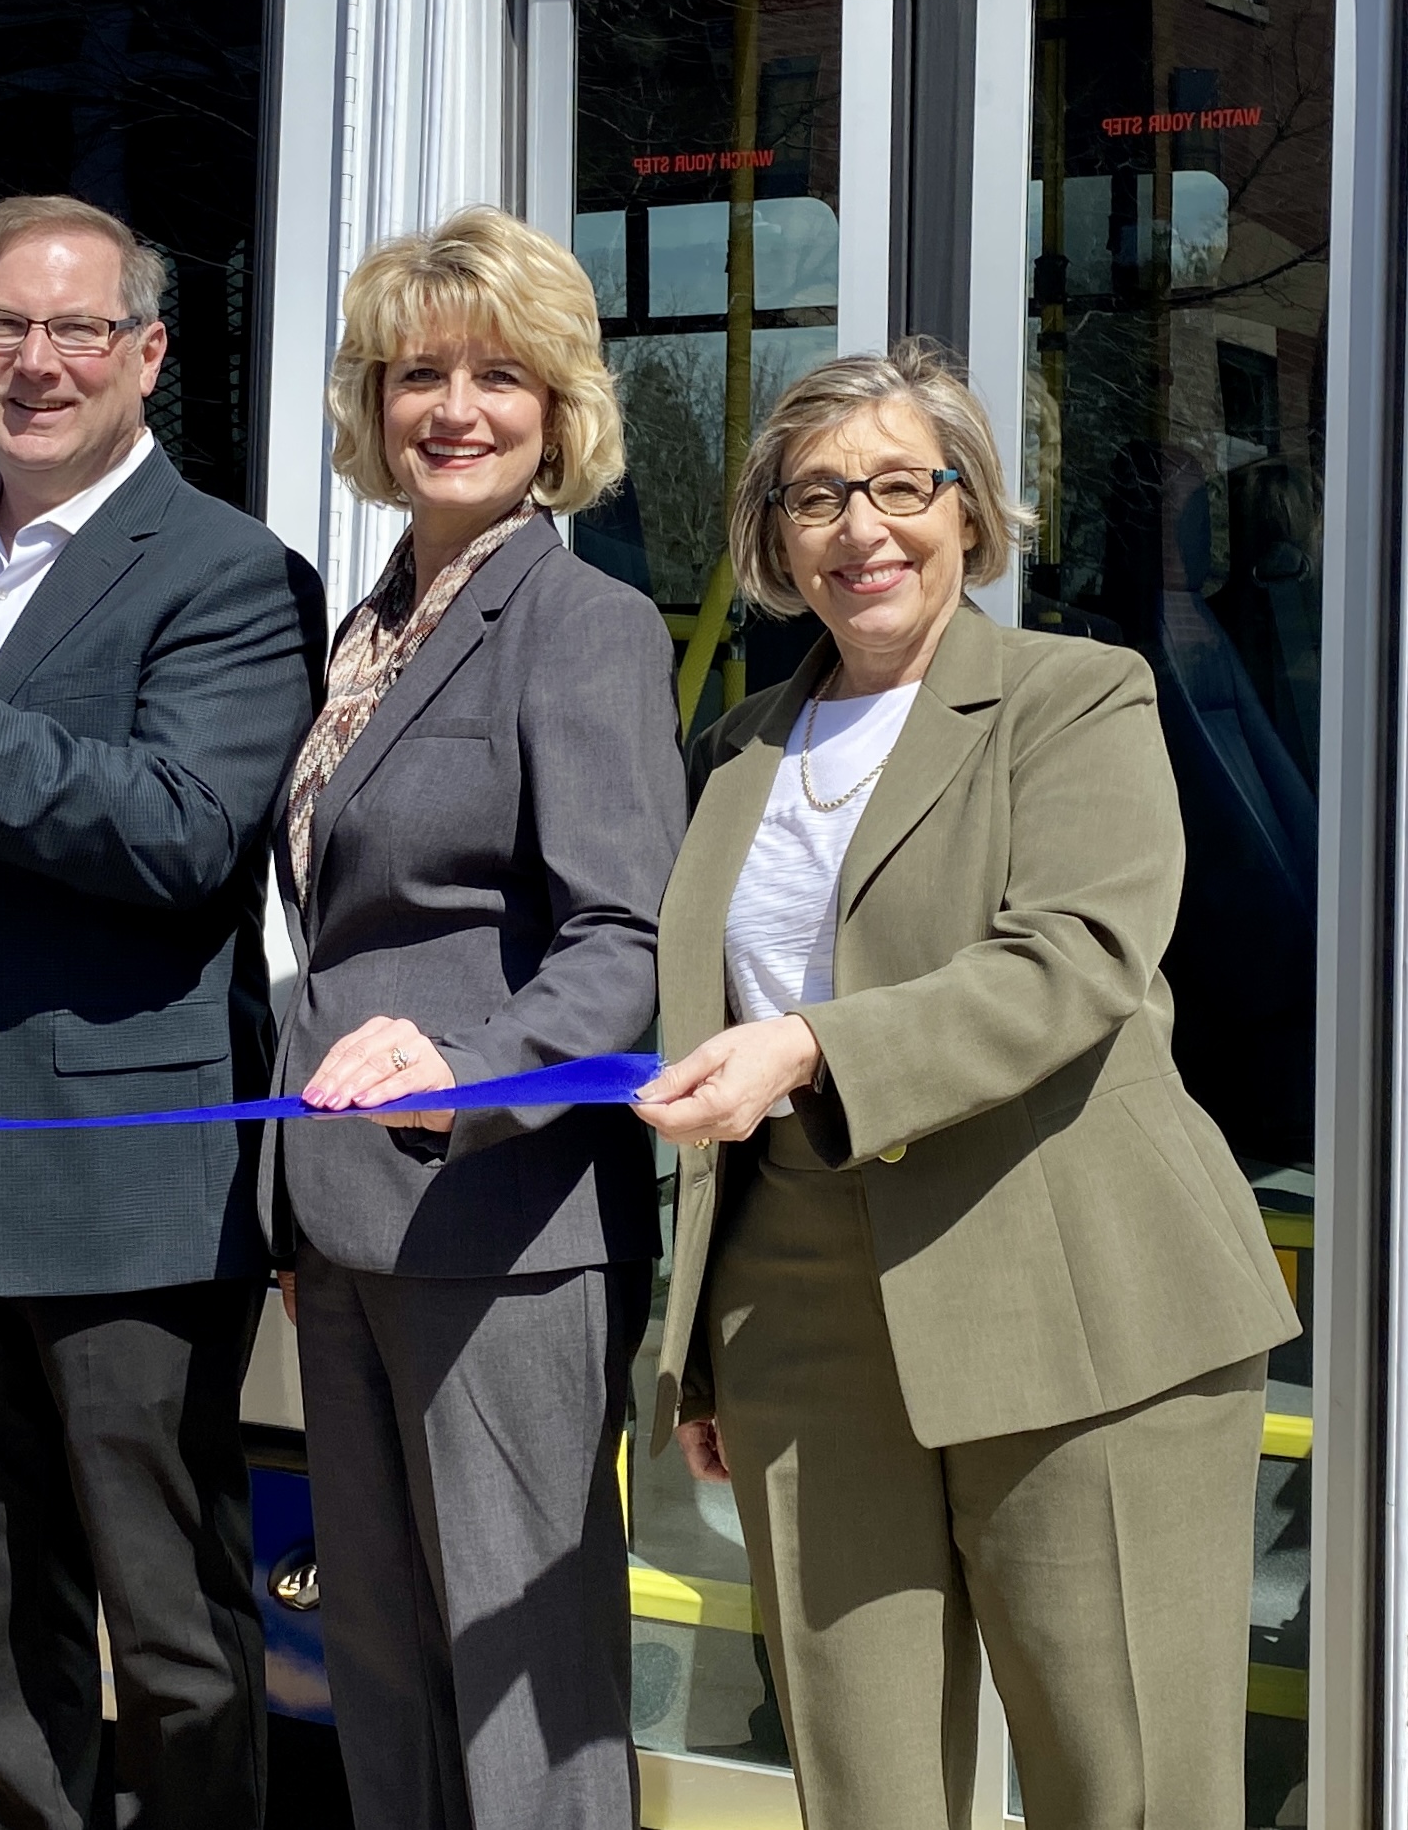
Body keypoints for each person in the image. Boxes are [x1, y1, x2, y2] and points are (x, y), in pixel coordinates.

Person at [637, 338, 1299, 1830]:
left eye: (897, 486)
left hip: (1076, 1292)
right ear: (770, 534)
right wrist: (709, 1347)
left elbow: (1072, 961)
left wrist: (809, 1049)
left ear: (968, 507)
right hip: (801, 1311)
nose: (860, 529)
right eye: (815, 497)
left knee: (1121, 1782)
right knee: (860, 1783)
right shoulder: (737, 749)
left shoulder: (1081, 696)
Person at [0, 194, 320, 1830]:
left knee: (174, 1633)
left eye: (76, 329)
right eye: (1, 328)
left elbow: (181, 834)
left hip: (127, 1182)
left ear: (148, 355)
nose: (35, 363)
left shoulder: (233, 572)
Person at [270, 209, 681, 1829]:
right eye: (419, 372)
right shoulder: (370, 626)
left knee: (525, 1690)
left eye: (500, 374)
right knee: (383, 1660)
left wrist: (471, 1065)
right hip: (353, 1223)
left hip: (504, 1226)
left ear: (560, 410)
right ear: (373, 407)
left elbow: (621, 942)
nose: (456, 407)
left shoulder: (582, 626)